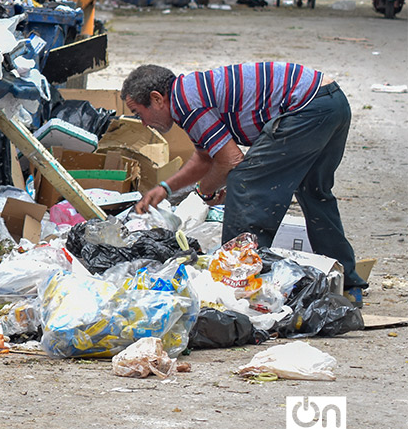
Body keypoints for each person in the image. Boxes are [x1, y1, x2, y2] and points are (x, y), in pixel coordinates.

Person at [121, 62, 367, 305]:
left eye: (138, 113)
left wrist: (204, 192)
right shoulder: (189, 92)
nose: (143, 123)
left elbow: (231, 160)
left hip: (307, 106)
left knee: (244, 182)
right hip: (332, 102)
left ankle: (240, 283)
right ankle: (347, 283)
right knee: (314, 191)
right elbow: (206, 157)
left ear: (157, 99)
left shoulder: (186, 102)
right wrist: (165, 189)